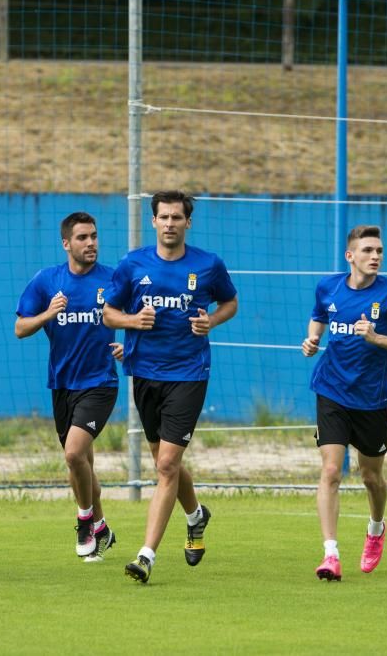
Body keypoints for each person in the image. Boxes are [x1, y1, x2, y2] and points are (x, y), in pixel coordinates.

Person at [102, 190, 238, 583]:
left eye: (177, 217)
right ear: (154, 221)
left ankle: (145, 556)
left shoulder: (208, 265)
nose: (170, 223)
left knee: (164, 466)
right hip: (144, 373)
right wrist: (132, 321)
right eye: (164, 217)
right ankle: (196, 516)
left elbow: (230, 303)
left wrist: (211, 322)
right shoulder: (133, 264)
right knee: (168, 460)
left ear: (187, 223)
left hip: (189, 373)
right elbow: (109, 312)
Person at [301, 225, 387, 582]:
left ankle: (375, 528)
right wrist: (312, 339)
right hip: (331, 390)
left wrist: (377, 337)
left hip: (373, 400)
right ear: (350, 256)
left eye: (379, 251)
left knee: (371, 477)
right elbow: (319, 317)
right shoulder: (329, 286)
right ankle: (331, 554)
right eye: (368, 250)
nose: (375, 256)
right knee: (330, 471)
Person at [14, 212, 123, 562]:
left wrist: (129, 346)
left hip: (101, 383)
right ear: (66, 243)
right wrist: (48, 313)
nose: (90, 243)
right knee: (82, 466)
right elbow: (20, 327)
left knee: (74, 453)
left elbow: (138, 318)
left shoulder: (113, 280)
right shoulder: (47, 281)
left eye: (93, 236)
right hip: (62, 385)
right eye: (82, 238)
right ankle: (102, 525)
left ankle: (84, 521)